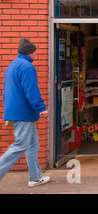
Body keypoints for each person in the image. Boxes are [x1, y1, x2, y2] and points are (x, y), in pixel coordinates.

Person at [0, 38, 50, 187]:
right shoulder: (27, 67)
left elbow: (6, 91)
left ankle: (35, 177)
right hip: (22, 113)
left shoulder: (12, 66)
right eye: (35, 52)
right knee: (20, 145)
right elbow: (31, 90)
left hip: (16, 111)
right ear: (30, 52)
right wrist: (41, 108)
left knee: (32, 144)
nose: (36, 55)